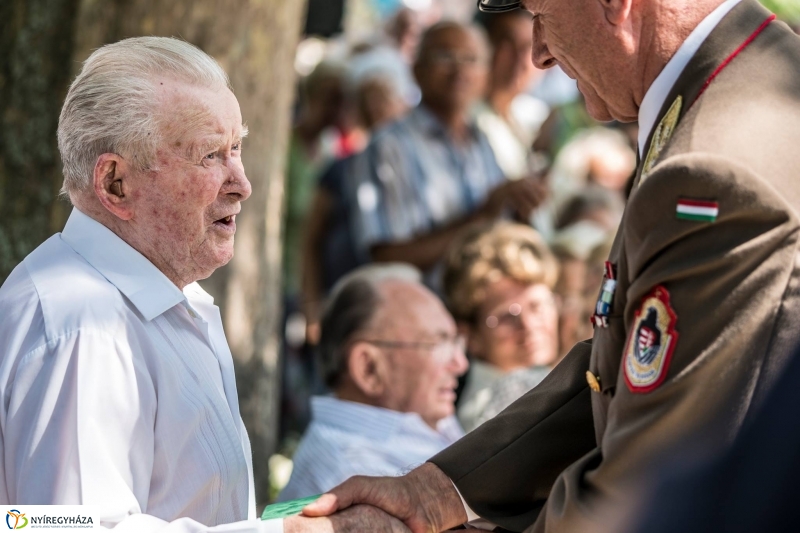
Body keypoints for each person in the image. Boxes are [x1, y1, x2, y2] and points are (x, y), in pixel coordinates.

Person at [301, 0, 800, 531]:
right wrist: (434, 494)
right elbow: (617, 368)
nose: (539, 53)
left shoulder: (714, 159)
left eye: (542, 14)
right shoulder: (734, 88)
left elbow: (644, 481)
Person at [0, 36, 407, 533]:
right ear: (115, 184)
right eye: (210, 155)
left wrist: (303, 518)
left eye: (236, 148)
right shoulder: (84, 328)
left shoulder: (160, 292)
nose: (242, 184)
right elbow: (62, 528)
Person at [352, 21, 548, 291]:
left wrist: (520, 204)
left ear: (485, 72)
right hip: (421, 307)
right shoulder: (388, 148)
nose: (460, 71)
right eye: (445, 57)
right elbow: (385, 259)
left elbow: (500, 221)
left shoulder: (480, 141)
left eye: (471, 60)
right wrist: (483, 218)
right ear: (416, 69)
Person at [279, 265, 467, 501]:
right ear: (368, 368)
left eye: (456, 342)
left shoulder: (421, 413)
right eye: (438, 344)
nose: (460, 364)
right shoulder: (350, 477)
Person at [441, 222, 559, 432]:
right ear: (470, 336)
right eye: (506, 317)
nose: (529, 326)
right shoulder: (507, 402)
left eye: (538, 306)